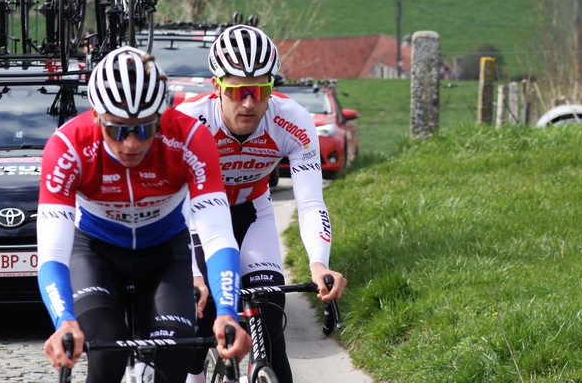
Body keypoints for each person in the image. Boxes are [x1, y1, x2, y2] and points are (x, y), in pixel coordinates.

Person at [37, 46, 251, 383]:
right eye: (117, 129)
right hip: (97, 255)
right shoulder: (68, 147)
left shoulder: (191, 138)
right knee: (105, 352)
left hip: (165, 254)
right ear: (96, 117)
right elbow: (52, 253)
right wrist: (64, 319)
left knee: (175, 353)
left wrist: (227, 312)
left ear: (160, 118)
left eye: (145, 128)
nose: (132, 143)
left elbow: (218, 235)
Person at [177, 24, 348, 383]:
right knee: (199, 316)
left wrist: (319, 265)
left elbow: (310, 202)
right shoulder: (191, 121)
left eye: (260, 90)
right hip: (197, 217)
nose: (250, 103)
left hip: (254, 211)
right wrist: (192, 274)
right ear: (217, 87)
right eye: (238, 91)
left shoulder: (293, 121)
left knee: (270, 321)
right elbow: (172, 200)